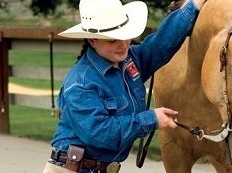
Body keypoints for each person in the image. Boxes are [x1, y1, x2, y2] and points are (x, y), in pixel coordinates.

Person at [42, 0, 206, 172]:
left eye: (126, 34)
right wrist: (151, 119)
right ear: (92, 40)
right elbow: (100, 133)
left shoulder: (128, 60)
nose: (123, 44)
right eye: (113, 40)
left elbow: (161, 43)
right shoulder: (80, 83)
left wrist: (193, 6)